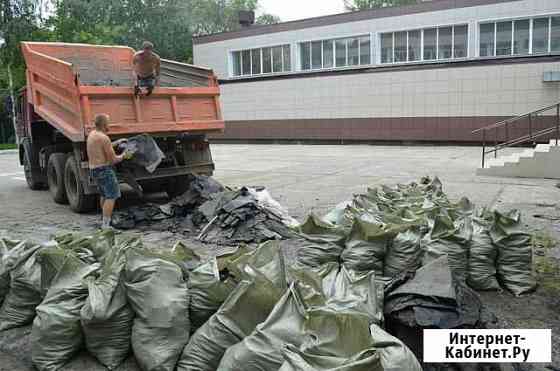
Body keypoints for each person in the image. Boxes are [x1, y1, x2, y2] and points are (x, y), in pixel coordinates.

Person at [87, 114, 127, 229]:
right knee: (112, 196)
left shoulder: (92, 135)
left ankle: (104, 220)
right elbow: (113, 160)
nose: (109, 124)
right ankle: (106, 225)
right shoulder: (104, 138)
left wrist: (117, 142)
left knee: (104, 194)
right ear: (104, 124)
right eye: (108, 122)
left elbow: (102, 146)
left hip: (94, 169)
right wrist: (124, 155)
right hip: (104, 170)